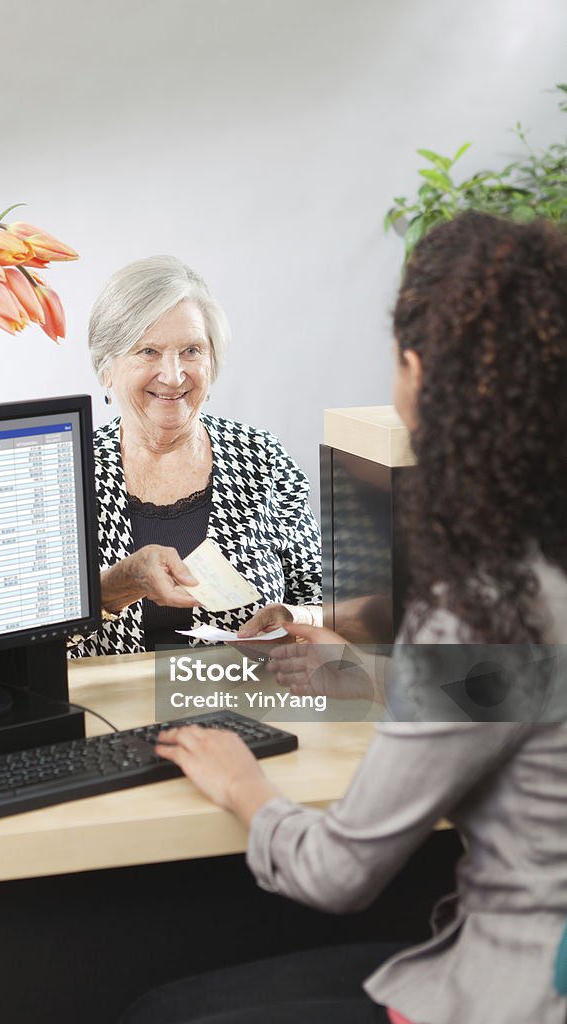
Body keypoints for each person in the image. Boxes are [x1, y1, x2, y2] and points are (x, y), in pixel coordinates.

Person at [120, 214, 567, 1023]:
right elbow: (524, 689)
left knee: (159, 1011)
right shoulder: (540, 563)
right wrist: (366, 678)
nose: (172, 372)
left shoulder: (485, 595)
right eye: (147, 350)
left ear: (416, 370)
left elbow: (334, 872)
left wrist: (242, 782)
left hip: (515, 991)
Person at [69, 256, 322, 655]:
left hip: (247, 694)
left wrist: (298, 619)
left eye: (191, 350)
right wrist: (114, 589)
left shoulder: (262, 457)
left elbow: (321, 598)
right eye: (148, 351)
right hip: (111, 708)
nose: (173, 375)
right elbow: (28, 639)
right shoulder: (69, 472)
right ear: (107, 369)